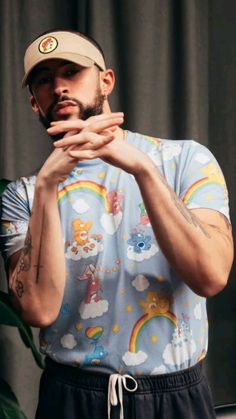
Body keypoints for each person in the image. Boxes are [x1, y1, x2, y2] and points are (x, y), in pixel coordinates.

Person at [0, 29, 234, 419]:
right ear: (34, 103)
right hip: (71, 398)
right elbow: (38, 310)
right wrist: (46, 186)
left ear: (106, 80)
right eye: (44, 80)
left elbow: (210, 276)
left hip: (174, 396)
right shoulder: (23, 195)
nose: (58, 87)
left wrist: (141, 167)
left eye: (71, 71)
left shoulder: (187, 161)